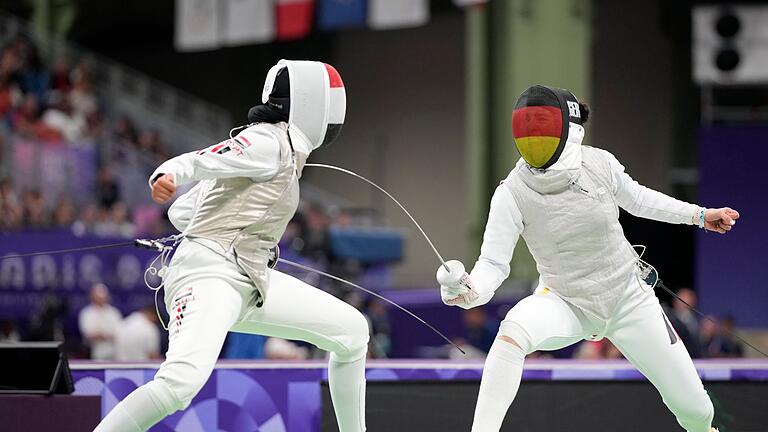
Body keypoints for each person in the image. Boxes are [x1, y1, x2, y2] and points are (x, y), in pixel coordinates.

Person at [436, 85, 737, 432]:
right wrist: (469, 289)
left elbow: (639, 200)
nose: (534, 138)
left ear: (570, 130)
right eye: (526, 129)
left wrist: (701, 215)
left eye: (544, 128)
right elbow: (492, 265)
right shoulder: (511, 192)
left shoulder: (598, 164)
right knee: (512, 333)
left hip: (628, 299)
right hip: (565, 301)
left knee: (697, 413)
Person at [94, 60, 369, 432]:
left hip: (250, 277)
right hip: (210, 276)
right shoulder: (268, 141)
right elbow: (200, 160)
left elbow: (182, 212)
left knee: (352, 333)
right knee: (180, 385)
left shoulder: (283, 152)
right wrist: (170, 173)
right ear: (310, 102)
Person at [78, 283, 123, 360]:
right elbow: (89, 334)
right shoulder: (86, 313)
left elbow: (119, 333)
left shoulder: (114, 312)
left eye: (103, 297)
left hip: (115, 352)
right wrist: (106, 335)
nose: (101, 299)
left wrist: (103, 335)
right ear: (92, 297)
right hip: (94, 353)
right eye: (98, 297)